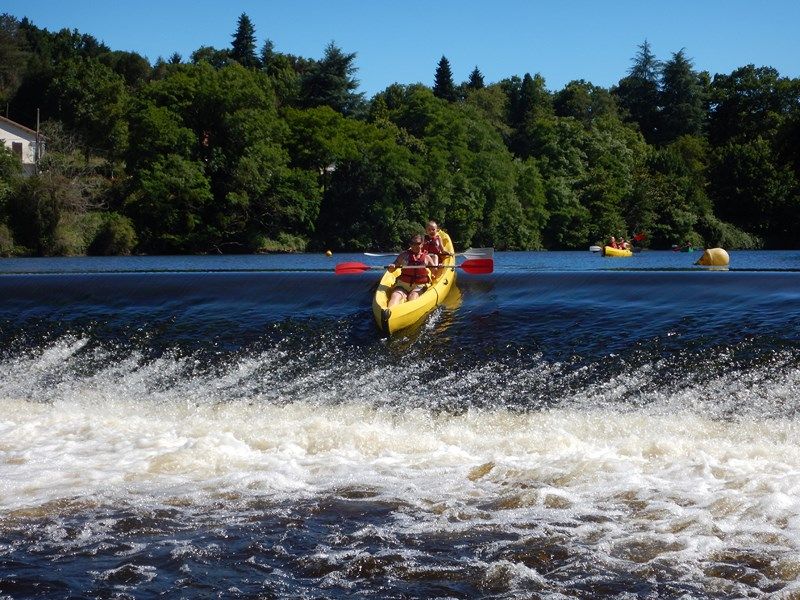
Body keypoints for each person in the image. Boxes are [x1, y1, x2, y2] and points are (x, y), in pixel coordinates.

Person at [386, 235, 437, 308]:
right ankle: (389, 313)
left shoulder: (427, 258)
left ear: (422, 244)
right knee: (395, 295)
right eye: (413, 243)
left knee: (413, 296)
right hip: (403, 284)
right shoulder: (403, 256)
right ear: (410, 244)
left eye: (418, 243)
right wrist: (391, 266)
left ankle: (408, 314)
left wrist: (438, 266)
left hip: (419, 286)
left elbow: (435, 271)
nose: (415, 246)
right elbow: (391, 270)